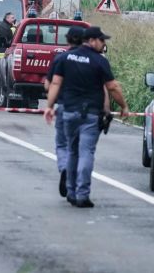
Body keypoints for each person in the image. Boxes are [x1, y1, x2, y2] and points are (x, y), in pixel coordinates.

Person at [44, 27, 128, 208]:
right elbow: (111, 87)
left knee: (72, 151)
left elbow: (55, 83)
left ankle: (71, 192)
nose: (104, 44)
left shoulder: (65, 58)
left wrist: (50, 107)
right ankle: (83, 194)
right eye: (101, 40)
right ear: (92, 40)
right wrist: (123, 106)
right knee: (86, 152)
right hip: (90, 114)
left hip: (69, 112)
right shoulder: (99, 61)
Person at [43, 26, 85, 198]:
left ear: (67, 40)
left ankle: (64, 167)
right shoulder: (95, 59)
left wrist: (50, 105)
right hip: (88, 111)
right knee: (81, 148)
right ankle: (79, 182)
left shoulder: (61, 59)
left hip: (65, 107)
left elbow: (49, 84)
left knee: (62, 144)